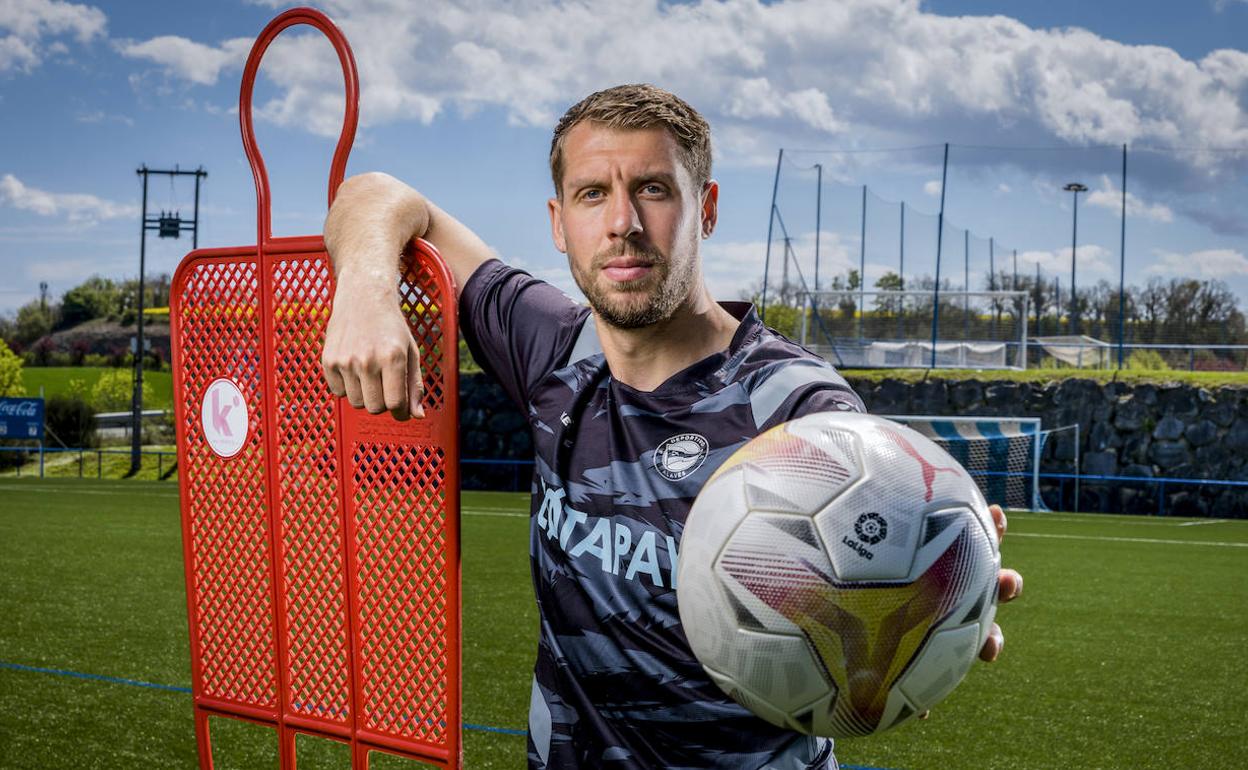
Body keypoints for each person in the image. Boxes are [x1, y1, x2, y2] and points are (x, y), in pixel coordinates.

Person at [321, 83, 1022, 770]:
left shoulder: (788, 405)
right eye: (593, 193)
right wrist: (365, 293)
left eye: (653, 189)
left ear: (705, 208)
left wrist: (940, 587)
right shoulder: (550, 349)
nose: (622, 221)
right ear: (559, 220)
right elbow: (376, 195)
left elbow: (879, 503)